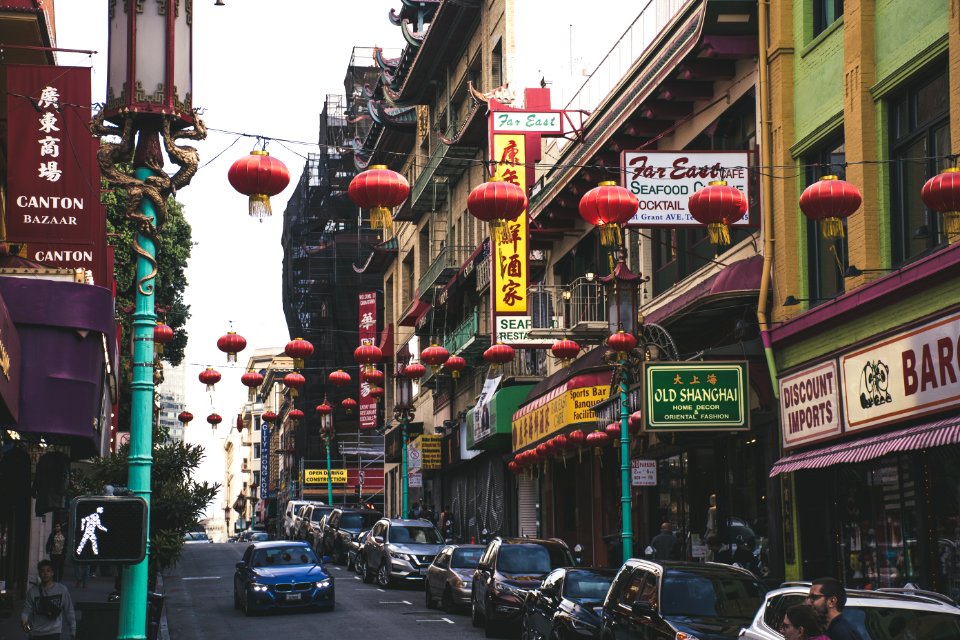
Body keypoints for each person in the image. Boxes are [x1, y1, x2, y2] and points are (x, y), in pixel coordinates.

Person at [22, 559, 76, 640]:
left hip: (54, 632)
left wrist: (73, 630)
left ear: (52, 573)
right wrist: (26, 626)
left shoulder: (62, 590)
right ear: (39, 574)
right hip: (36, 633)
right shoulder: (33, 591)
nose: (45, 573)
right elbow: (26, 611)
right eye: (42, 571)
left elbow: (69, 611)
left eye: (48, 571)